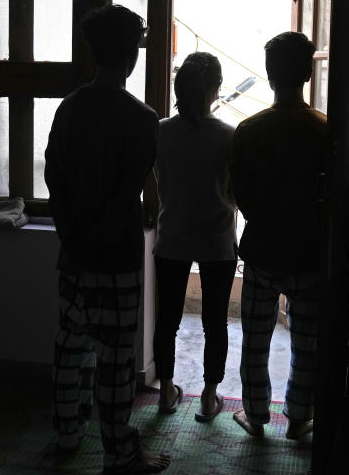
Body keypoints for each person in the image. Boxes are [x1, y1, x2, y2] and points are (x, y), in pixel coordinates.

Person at [45, 4, 169, 474]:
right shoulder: (141, 118)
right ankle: (119, 453)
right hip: (114, 257)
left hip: (73, 255)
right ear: (133, 54)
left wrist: (73, 241)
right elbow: (125, 196)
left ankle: (66, 433)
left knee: (69, 349)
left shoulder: (69, 107)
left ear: (92, 51)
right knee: (116, 365)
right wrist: (96, 243)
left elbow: (55, 182)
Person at [229, 32, 327, 440]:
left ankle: (255, 416)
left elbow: (242, 195)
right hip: (310, 253)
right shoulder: (326, 129)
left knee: (255, 341)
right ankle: (299, 416)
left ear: (269, 76)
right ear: (308, 72)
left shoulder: (250, 130)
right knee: (308, 343)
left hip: (263, 252)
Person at [152, 52, 238, 422]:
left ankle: (166, 391)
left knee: (167, 319)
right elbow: (235, 189)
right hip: (217, 240)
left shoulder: (161, 130)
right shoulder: (227, 135)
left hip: (171, 235)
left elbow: (160, 181)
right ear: (215, 89)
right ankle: (208, 395)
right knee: (215, 320)